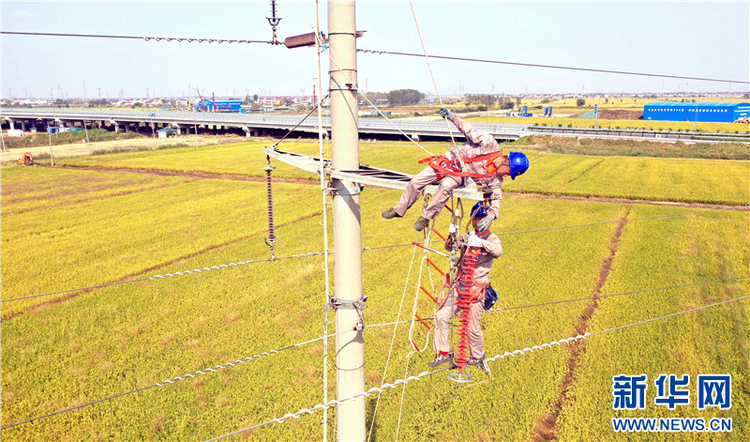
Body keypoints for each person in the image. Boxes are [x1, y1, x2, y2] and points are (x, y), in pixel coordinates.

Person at [382, 107, 529, 232]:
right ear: (506, 161)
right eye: (508, 172)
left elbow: (497, 197)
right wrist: (452, 116)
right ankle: (399, 210)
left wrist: (491, 216)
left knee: (446, 186)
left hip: (460, 175)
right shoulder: (489, 143)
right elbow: (468, 129)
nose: (506, 175)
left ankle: (425, 218)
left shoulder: (495, 179)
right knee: (416, 181)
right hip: (449, 161)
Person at [428, 202, 503, 375]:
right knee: (442, 316)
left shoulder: (491, 238)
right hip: (460, 287)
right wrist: (453, 235)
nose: (477, 222)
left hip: (477, 290)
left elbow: (498, 251)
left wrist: (481, 242)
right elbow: (450, 247)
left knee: (471, 327)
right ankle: (443, 353)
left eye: (481, 218)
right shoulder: (467, 236)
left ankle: (478, 357)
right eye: (475, 218)